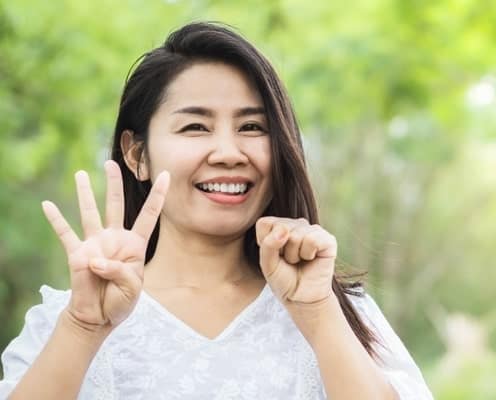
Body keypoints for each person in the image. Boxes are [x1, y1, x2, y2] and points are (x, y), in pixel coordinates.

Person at [0, 22, 433, 399]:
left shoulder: (338, 310)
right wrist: (83, 328)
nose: (229, 152)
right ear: (137, 155)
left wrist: (317, 312)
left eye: (252, 127)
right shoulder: (70, 317)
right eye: (195, 127)